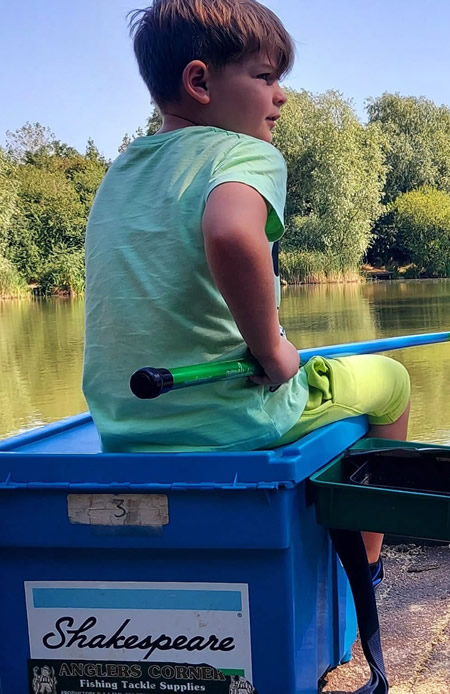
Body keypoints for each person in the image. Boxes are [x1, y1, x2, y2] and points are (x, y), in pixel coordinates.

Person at [82, 0, 410, 586]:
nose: (281, 96)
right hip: (235, 418)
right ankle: (367, 567)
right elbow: (231, 232)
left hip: (124, 427)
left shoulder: (121, 170)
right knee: (393, 384)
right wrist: (273, 349)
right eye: (264, 77)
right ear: (200, 82)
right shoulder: (244, 153)